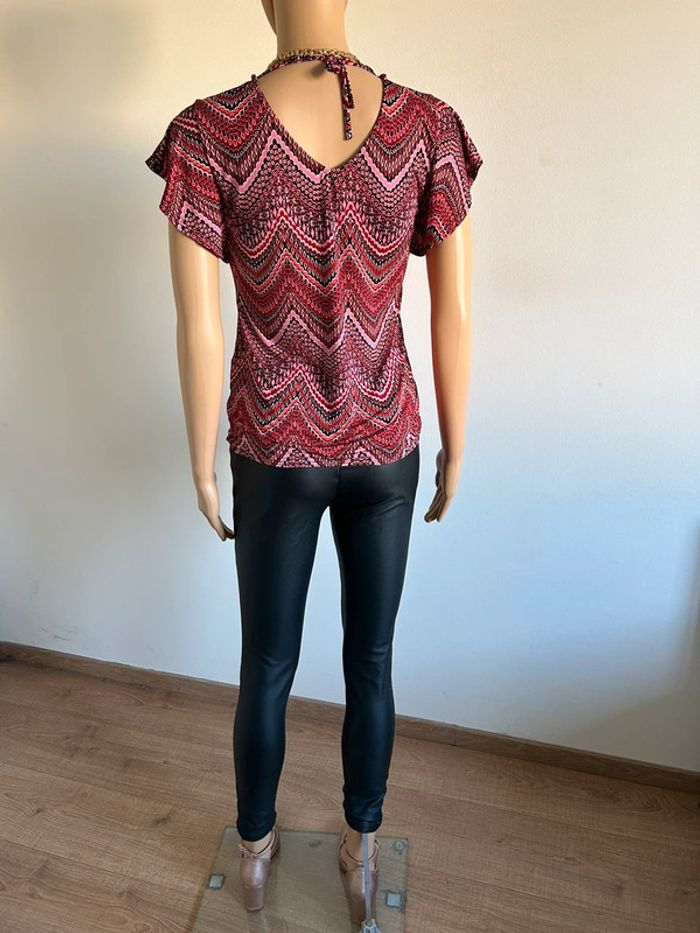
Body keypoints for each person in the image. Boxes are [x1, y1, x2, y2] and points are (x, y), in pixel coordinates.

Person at [144, 2, 482, 923]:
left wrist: (201, 463)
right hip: (389, 440)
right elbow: (453, 309)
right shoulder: (428, 127)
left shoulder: (209, 134)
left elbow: (196, 323)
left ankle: (254, 852)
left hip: (272, 444)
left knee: (266, 663)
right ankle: (360, 846)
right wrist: (457, 442)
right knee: (372, 659)